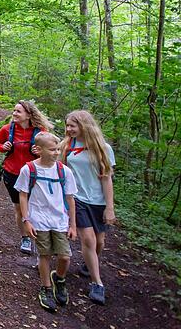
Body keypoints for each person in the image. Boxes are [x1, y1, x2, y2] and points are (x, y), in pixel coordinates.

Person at [16, 132, 77, 312]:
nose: (56, 152)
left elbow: (70, 198)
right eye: (52, 149)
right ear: (39, 150)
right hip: (39, 219)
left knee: (65, 256)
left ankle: (59, 278)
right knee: (45, 255)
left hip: (59, 220)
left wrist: (73, 225)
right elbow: (23, 195)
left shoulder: (64, 171)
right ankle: (46, 288)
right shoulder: (29, 169)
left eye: (58, 149)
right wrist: (26, 220)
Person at [61, 110, 116, 305]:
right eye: (67, 125)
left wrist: (110, 208)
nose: (68, 129)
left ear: (84, 125)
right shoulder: (68, 146)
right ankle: (97, 283)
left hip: (98, 201)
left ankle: (88, 265)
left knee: (100, 242)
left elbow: (107, 179)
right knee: (88, 239)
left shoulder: (103, 148)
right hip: (77, 199)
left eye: (72, 126)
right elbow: (60, 169)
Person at [0, 100, 54, 254]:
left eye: (18, 111)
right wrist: (3, 146)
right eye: (14, 111)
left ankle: (44, 237)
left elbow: (52, 151)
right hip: (12, 173)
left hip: (35, 175)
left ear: (28, 115)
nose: (14, 114)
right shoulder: (7, 129)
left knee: (37, 207)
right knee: (19, 208)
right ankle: (25, 237)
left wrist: (40, 151)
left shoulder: (41, 132)